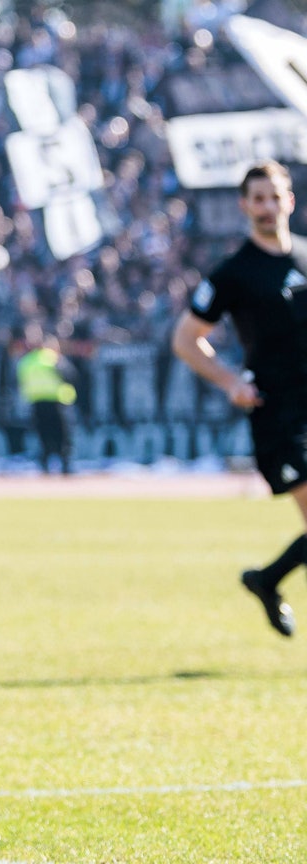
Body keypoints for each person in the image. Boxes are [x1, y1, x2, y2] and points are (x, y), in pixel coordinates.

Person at [173, 159, 307, 639]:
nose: (268, 207)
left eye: (275, 197)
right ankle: (267, 581)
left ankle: (267, 580)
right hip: (280, 416)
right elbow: (186, 339)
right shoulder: (234, 273)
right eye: (258, 199)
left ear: (289, 200)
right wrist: (231, 381)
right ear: (244, 207)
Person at [16, 326, 77, 475]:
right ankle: (65, 466)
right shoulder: (52, 358)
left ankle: (44, 466)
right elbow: (71, 375)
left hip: (36, 402)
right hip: (57, 401)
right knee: (62, 436)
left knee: (43, 436)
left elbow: (20, 382)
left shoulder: (25, 361)